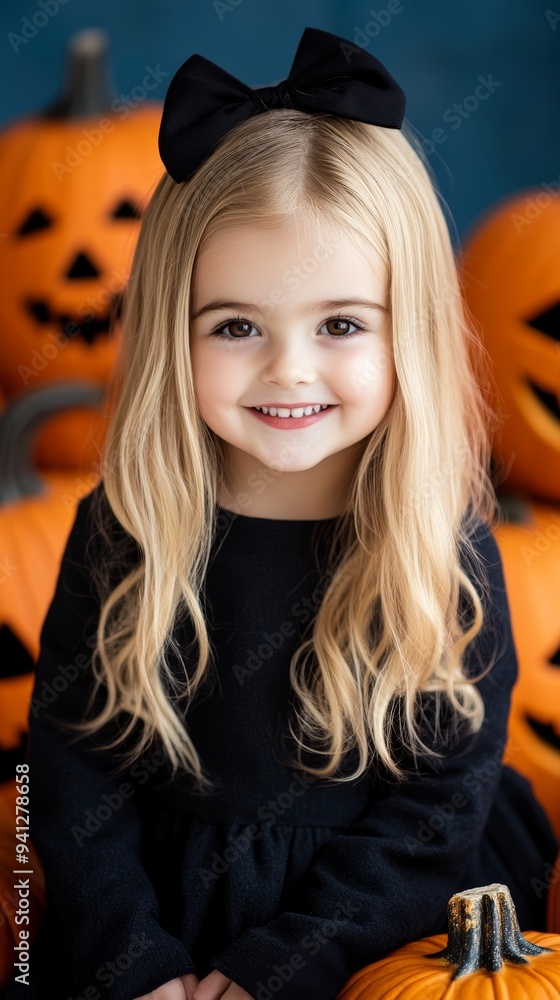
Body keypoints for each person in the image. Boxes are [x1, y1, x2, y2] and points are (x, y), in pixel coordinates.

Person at [1, 25, 557, 1000]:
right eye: (235, 326)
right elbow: (74, 768)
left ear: (407, 327)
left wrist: (279, 966)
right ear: (174, 329)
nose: (287, 368)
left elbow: (436, 805)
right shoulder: (126, 523)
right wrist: (136, 958)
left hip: (382, 922)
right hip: (156, 910)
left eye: (339, 323)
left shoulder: (435, 542)